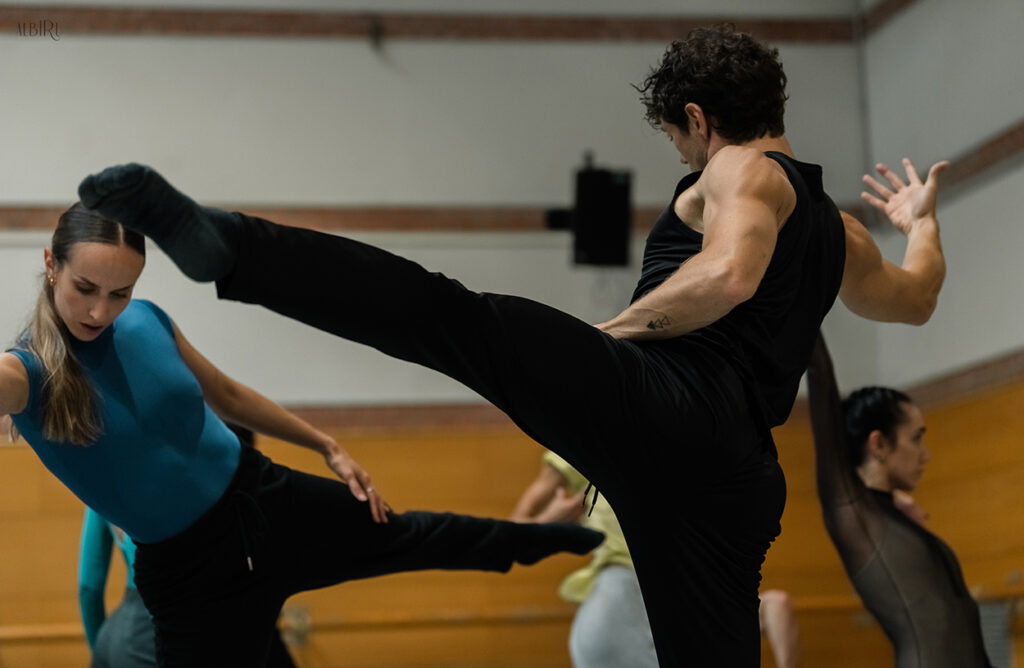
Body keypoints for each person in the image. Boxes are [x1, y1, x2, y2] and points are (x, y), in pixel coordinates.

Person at [74, 24, 949, 666]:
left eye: (676, 143)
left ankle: (234, 249)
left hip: (670, 406)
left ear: (697, 119)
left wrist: (601, 340)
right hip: (737, 484)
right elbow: (915, 304)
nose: (683, 157)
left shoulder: (741, 169)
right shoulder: (844, 234)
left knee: (454, 319)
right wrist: (920, 223)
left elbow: (728, 276)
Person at [0, 204, 604, 668]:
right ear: (52, 264)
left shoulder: (148, 320)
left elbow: (230, 396)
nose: (101, 312)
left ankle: (557, 541)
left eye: (120, 292)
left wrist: (326, 445)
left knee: (416, 535)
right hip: (192, 579)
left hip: (266, 501)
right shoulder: (23, 374)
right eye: (86, 289)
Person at [805, 334, 993, 667]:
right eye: (916, 438)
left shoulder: (896, 517)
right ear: (877, 444)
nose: (926, 455)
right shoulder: (854, 513)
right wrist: (806, 293)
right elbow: (821, 376)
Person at [512, 452, 801, 668]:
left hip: (680, 586)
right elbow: (514, 531)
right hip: (635, 588)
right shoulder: (586, 439)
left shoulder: (686, 438)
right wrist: (553, 519)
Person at [78, 425, 296, 668]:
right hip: (159, 631)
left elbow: (89, 587)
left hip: (113, 635)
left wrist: (100, 648)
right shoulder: (199, 490)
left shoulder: (104, 488)